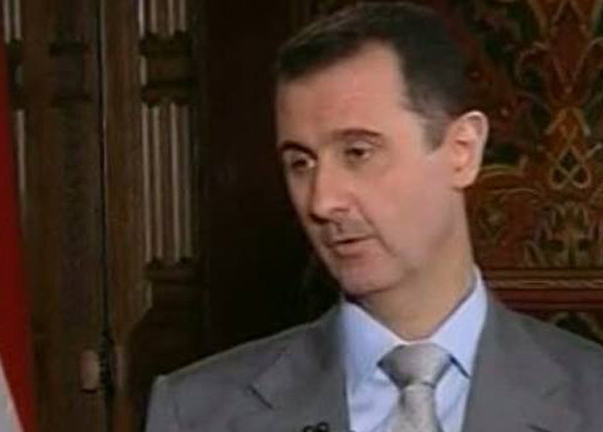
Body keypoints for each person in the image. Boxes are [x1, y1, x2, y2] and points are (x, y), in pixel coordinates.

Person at [144, 3, 603, 431]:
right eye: (301, 163)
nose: (322, 201)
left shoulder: (592, 397)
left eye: (358, 152)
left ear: (462, 151)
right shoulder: (199, 413)